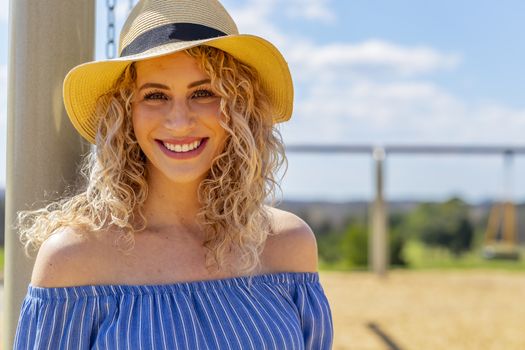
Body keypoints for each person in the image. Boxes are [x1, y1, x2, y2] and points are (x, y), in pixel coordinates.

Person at [14, 0, 334, 349]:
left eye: (203, 92)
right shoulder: (74, 260)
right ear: (126, 113)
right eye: (155, 96)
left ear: (239, 106)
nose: (179, 121)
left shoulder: (287, 247)